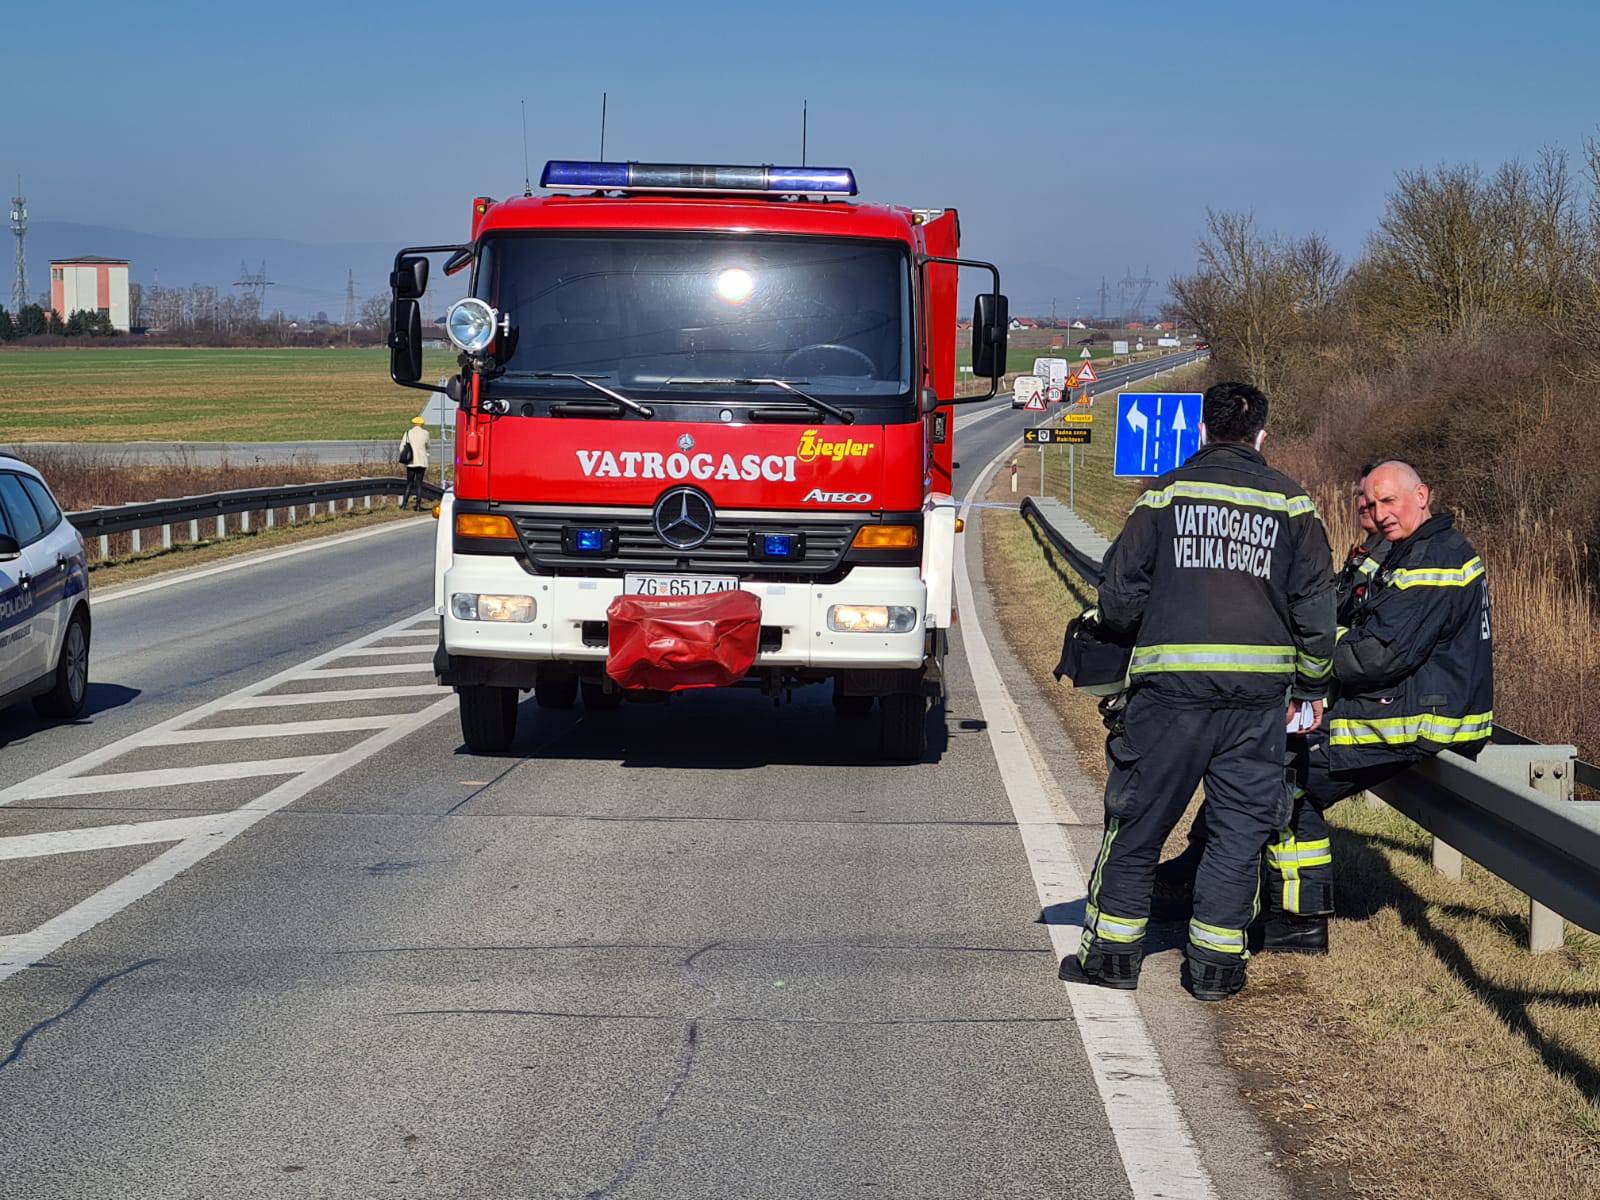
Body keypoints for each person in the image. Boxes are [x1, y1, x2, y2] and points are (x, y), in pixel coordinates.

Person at [1064, 381, 1336, 1001]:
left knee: (1138, 823)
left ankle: (1110, 959)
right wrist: (1314, 683)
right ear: (1261, 436)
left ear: (1202, 431)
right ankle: (1215, 973)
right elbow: (1316, 609)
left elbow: (1119, 595)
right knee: (1239, 836)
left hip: (1171, 698)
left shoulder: (1164, 495)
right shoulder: (1294, 506)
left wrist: (1122, 633)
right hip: (1258, 705)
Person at [1262, 460, 1494, 952]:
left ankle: (1300, 920)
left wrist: (1306, 657)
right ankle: (1265, 899)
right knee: (1273, 756)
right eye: (1372, 503)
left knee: (1286, 770)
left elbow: (1377, 655)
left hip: (1423, 720)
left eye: (1390, 501)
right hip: (1407, 706)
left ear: (1422, 495)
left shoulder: (1435, 558)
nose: (1380, 513)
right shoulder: (1409, 550)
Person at [400, 415, 429, 512]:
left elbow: (402, 447)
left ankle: (404, 505)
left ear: (413, 423)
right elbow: (428, 445)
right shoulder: (425, 433)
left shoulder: (408, 433)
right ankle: (418, 506)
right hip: (421, 461)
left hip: (411, 462)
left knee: (409, 483)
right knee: (419, 484)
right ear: (422, 424)